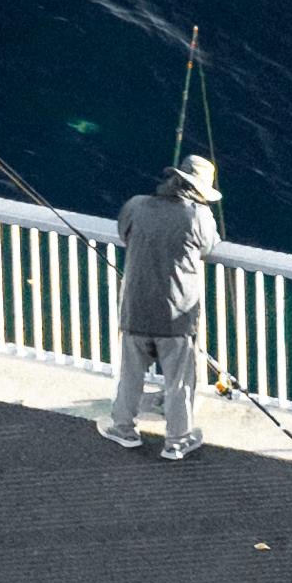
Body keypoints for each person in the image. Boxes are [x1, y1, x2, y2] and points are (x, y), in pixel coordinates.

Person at [109, 153, 223, 459]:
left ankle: (123, 429)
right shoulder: (198, 217)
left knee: (131, 374)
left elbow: (124, 234)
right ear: (199, 191)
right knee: (179, 383)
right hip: (176, 316)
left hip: (135, 308)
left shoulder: (136, 205)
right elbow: (210, 245)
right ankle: (176, 440)